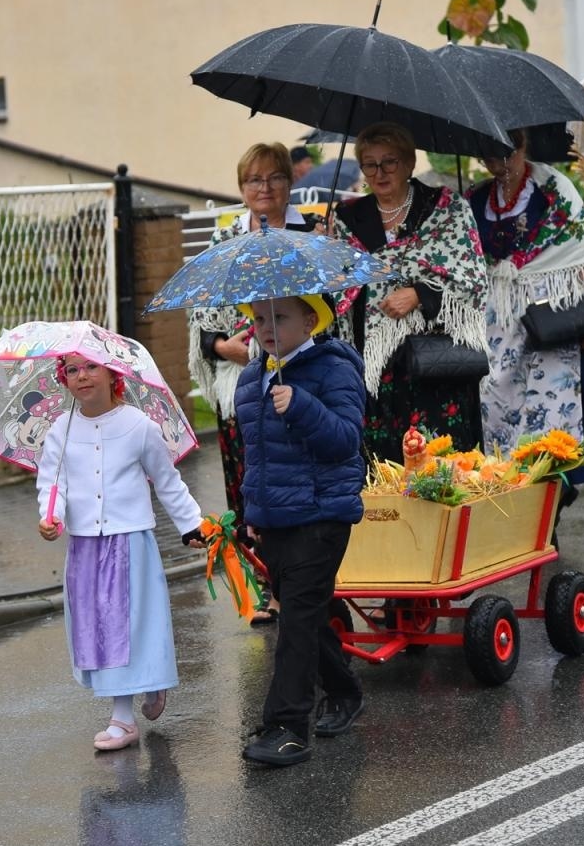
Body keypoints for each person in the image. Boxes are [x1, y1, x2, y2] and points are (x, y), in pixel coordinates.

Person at [37, 353, 206, 752]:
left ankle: (123, 719)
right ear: (65, 380)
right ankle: (144, 686)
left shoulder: (138, 427)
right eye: (72, 370)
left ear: (112, 373)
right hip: (85, 547)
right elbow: (51, 483)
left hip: (130, 541)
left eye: (91, 367)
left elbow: (167, 482)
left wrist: (192, 526)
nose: (82, 377)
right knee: (100, 631)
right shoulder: (61, 430)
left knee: (130, 627)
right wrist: (52, 517)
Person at [187, 143, 319, 625]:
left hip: (304, 381)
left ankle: (309, 586)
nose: (264, 189)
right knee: (253, 489)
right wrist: (227, 348)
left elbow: (336, 308)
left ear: (290, 182)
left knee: (301, 485)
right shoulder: (225, 238)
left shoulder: (314, 233)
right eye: (253, 181)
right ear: (242, 189)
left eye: (275, 178)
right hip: (242, 382)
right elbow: (204, 315)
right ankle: (268, 588)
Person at [235, 295, 367, 768]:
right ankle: (344, 691)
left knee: (295, 621)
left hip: (321, 515)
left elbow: (346, 440)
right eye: (258, 319)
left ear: (311, 320)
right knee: (301, 613)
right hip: (275, 520)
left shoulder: (332, 369)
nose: (267, 327)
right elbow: (256, 455)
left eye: (279, 317)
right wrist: (253, 508)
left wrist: (303, 406)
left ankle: (287, 727)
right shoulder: (252, 378)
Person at [469, 130, 584, 477]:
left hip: (550, 314)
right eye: (489, 158)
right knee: (497, 406)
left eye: (504, 156)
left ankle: (551, 504)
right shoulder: (476, 198)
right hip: (499, 319)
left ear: (522, 146)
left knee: (551, 413)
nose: (497, 166)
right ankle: (514, 498)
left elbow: (580, 257)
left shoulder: (554, 191)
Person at [335, 122, 489, 460]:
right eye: (370, 164)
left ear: (409, 163)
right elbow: (338, 290)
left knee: (443, 459)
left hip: (438, 361)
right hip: (377, 364)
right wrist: (323, 248)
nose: (380, 172)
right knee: (387, 460)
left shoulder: (445, 209)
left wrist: (421, 294)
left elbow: (473, 279)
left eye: (389, 161)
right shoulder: (347, 218)